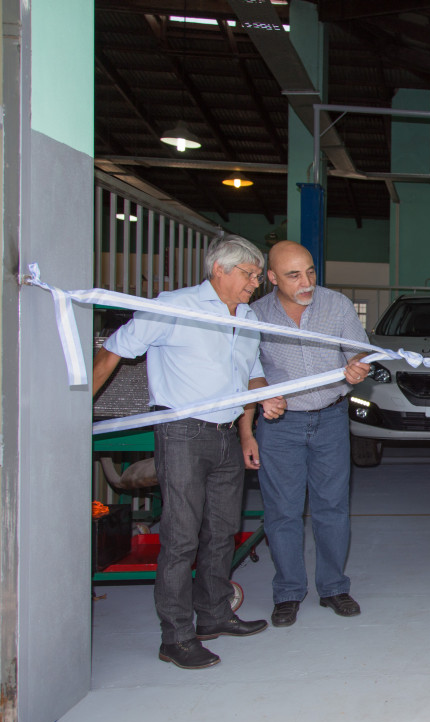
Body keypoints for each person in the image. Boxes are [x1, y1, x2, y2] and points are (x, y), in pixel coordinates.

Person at [91, 234, 287, 670]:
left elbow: (251, 375)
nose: (256, 283)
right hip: (181, 432)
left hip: (226, 435)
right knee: (180, 537)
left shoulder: (249, 317)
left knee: (221, 531)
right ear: (219, 269)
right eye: (250, 274)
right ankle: (175, 637)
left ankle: (214, 615)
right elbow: (115, 350)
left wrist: (257, 413)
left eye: (257, 275)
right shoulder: (174, 306)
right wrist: (78, 402)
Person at [239, 241, 371, 628]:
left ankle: (333, 588)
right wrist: (265, 394)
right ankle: (288, 592)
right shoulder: (255, 315)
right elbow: (247, 368)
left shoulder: (337, 305)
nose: (307, 281)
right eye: (294, 275)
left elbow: (359, 353)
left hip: (331, 418)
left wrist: (357, 366)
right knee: (282, 512)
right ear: (272, 278)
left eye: (311, 271)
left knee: (333, 508)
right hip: (280, 426)